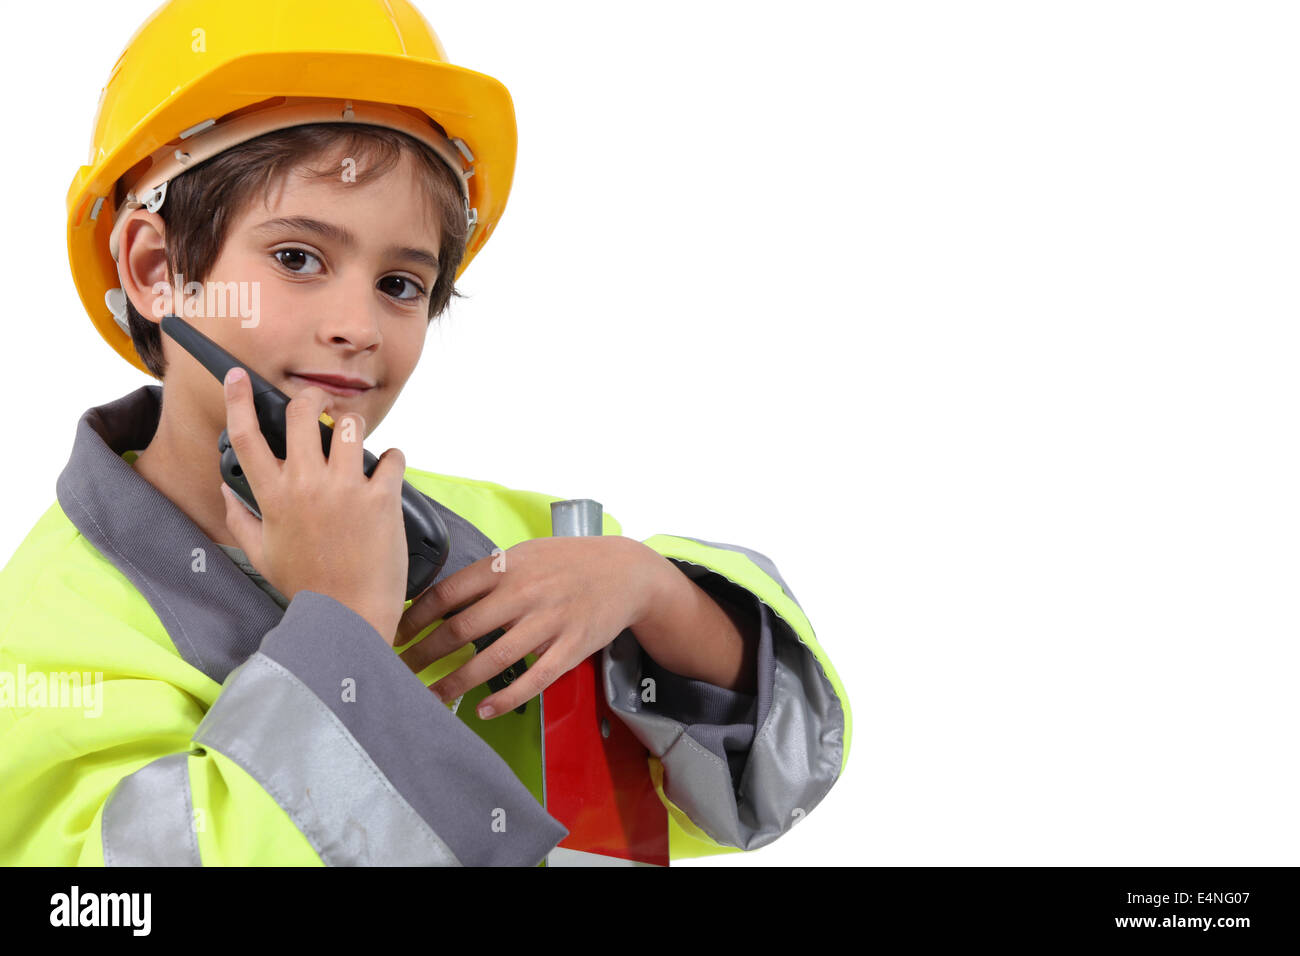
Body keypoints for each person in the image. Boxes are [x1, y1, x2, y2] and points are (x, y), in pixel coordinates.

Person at [0, 0, 851, 865]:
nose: (358, 325)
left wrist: (655, 592)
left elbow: (772, 780)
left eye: (402, 283)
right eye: (298, 258)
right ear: (154, 269)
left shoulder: (485, 545)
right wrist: (342, 629)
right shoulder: (43, 645)